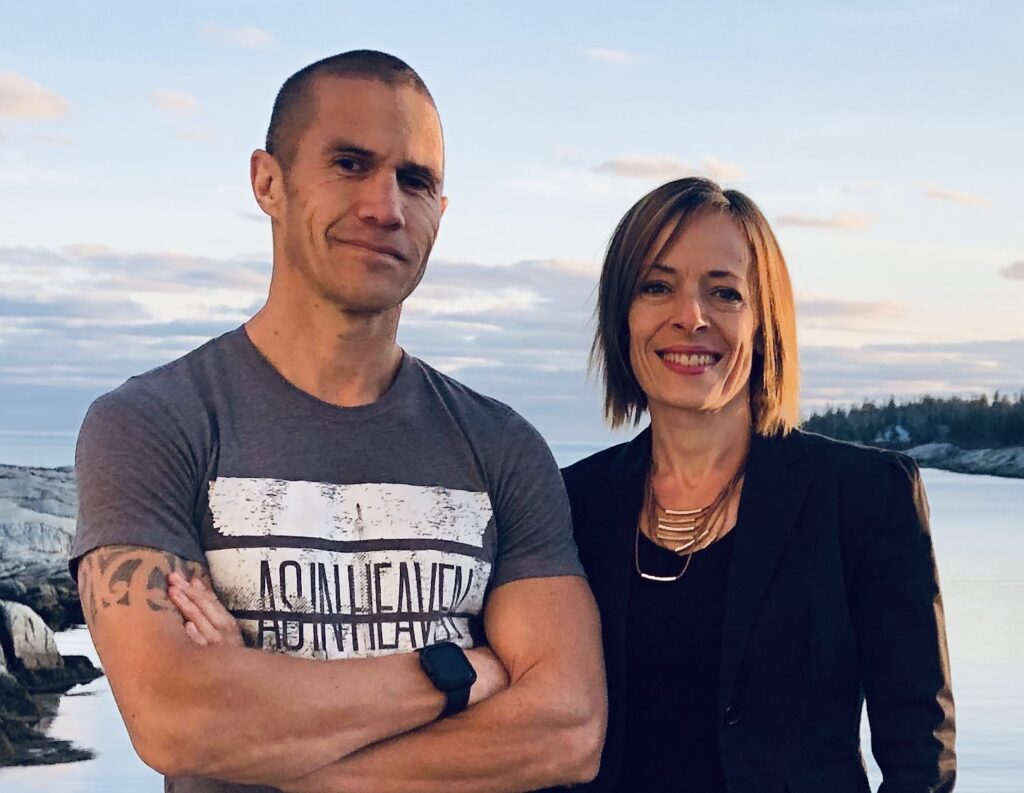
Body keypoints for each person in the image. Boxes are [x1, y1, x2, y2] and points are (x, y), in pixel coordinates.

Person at [71, 50, 605, 793]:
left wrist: (275, 742)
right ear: (268, 181)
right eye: (350, 164)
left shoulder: (501, 445)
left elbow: (568, 730)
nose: (386, 206)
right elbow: (176, 717)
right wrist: (461, 675)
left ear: (439, 213)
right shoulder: (155, 423)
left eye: (415, 180)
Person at [559, 177, 955, 792]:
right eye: (657, 287)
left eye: (724, 293)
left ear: (764, 320)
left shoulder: (863, 496)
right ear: (622, 314)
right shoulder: (570, 503)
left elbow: (918, 753)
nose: (690, 317)